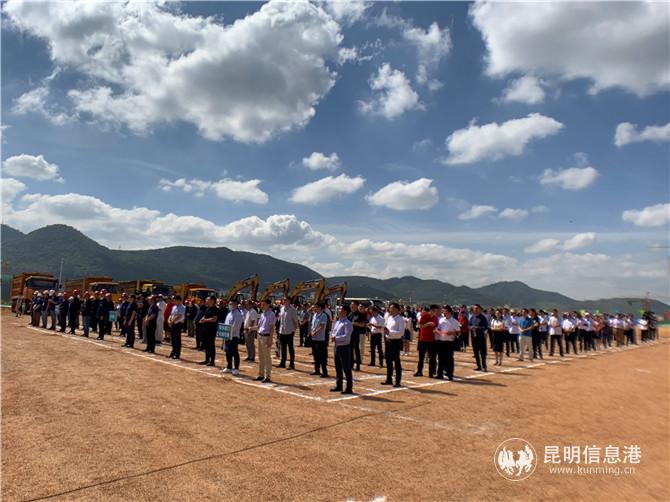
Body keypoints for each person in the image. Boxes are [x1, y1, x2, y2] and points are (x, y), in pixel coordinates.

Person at [331, 304, 354, 394]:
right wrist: (333, 337)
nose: (338, 310)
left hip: (344, 347)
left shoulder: (347, 323)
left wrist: (336, 338)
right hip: (337, 347)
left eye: (340, 309)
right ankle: (339, 385)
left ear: (345, 312)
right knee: (338, 367)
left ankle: (349, 388)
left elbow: (347, 337)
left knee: (346, 368)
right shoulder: (338, 322)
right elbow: (334, 332)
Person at [435, 305, 460, 380]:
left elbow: (459, 333)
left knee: (449, 358)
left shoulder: (454, 321)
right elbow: (438, 329)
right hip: (441, 341)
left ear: (449, 312)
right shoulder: (441, 320)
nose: (444, 313)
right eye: (443, 311)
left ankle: (450, 374)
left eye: (445, 311)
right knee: (440, 358)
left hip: (449, 342)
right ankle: (440, 374)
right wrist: (437, 331)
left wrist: (451, 333)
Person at [383, 303, 404, 387]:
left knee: (396, 361)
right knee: (388, 361)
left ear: (397, 310)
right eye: (390, 308)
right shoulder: (389, 318)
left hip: (396, 342)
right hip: (388, 341)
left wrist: (389, 332)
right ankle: (389, 379)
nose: (390, 310)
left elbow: (401, 333)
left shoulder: (400, 319)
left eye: (392, 308)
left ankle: (398, 381)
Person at [256, 299, 276, 383]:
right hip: (260, 335)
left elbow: (272, 328)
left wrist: (270, 339)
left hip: (266, 337)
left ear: (268, 305)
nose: (262, 306)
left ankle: (268, 376)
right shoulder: (262, 314)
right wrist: (251, 328)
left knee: (267, 357)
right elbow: (259, 326)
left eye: (263, 304)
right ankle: (261, 374)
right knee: (261, 357)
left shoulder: (271, 314)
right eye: (261, 304)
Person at [415, 305, 438, 377]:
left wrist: (436, 330)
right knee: (421, 357)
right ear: (430, 310)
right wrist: (428, 324)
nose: (435, 312)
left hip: (432, 340)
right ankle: (419, 371)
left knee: (432, 357)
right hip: (423, 339)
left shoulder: (435, 318)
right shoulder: (424, 316)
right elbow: (420, 326)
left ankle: (431, 373)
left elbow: (436, 326)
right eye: (434, 311)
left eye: (436, 311)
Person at [223, 299, 243, 375]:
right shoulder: (229, 313)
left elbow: (236, 326)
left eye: (231, 304)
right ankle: (229, 367)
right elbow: (226, 323)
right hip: (227, 336)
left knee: (234, 352)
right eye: (229, 304)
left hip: (234, 336)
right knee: (228, 352)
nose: (230, 305)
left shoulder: (238, 314)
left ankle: (236, 368)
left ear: (235, 304)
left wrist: (229, 332)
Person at [277, 298, 298, 370]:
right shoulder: (282, 308)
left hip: (289, 331)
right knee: (283, 348)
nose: (284, 301)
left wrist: (294, 330)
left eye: (286, 300)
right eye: (284, 300)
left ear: (289, 301)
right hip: (282, 331)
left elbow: (295, 321)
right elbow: (280, 319)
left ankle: (292, 364)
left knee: (290, 348)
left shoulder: (293, 309)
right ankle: (283, 362)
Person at [198, 296, 219, 366]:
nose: (206, 300)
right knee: (206, 345)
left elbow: (214, 319)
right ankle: (207, 359)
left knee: (211, 345)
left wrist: (205, 320)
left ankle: (212, 361)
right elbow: (205, 316)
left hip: (211, 330)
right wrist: (202, 319)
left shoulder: (215, 309)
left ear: (212, 301)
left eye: (208, 299)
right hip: (205, 329)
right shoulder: (208, 308)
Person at [470, 304, 489, 371]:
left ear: (480, 309)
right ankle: (479, 366)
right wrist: (471, 327)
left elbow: (485, 327)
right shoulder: (472, 317)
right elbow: (469, 325)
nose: (475, 310)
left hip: (481, 337)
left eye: (477, 308)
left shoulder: (483, 318)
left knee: (482, 352)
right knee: (475, 352)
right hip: (474, 337)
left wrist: (477, 328)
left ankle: (484, 366)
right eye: (474, 308)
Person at [350, 301, 367, 371]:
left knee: (356, 349)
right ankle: (351, 365)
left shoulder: (361, 315)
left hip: (357, 334)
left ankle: (358, 365)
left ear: (357, 306)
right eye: (351, 305)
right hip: (350, 334)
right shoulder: (350, 314)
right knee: (350, 349)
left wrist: (354, 323)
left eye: (353, 305)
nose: (351, 306)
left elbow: (363, 324)